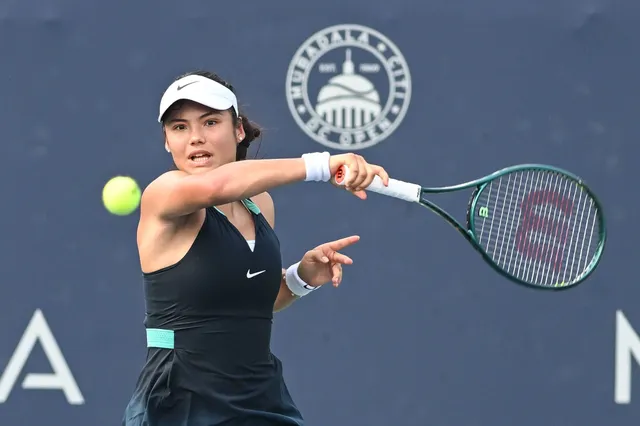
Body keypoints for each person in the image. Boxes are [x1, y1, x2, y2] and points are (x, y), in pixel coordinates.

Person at [122, 70, 389, 426]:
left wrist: (300, 277)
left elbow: (247, 301)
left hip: (260, 397)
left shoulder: (258, 203)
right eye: (179, 127)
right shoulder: (164, 193)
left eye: (210, 122)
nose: (195, 138)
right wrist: (322, 165)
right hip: (181, 403)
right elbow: (216, 188)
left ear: (238, 130)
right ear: (167, 141)